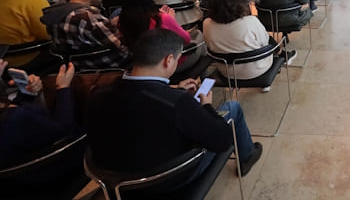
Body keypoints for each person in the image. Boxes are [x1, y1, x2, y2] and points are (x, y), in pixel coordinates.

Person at [86, 29, 263, 187]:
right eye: (177, 60)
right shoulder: (177, 103)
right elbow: (221, 141)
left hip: (115, 182)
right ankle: (247, 155)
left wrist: (174, 90)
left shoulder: (97, 95)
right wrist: (207, 106)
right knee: (232, 108)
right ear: (169, 60)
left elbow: (141, 105)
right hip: (168, 179)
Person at [0, 60, 81, 182]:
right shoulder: (16, 118)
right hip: (51, 173)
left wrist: (27, 94)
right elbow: (66, 132)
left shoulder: (12, 116)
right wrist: (63, 88)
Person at [203, 0, 292, 92]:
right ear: (241, 2)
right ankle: (283, 55)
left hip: (226, 72)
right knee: (266, 41)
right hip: (257, 70)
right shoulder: (250, 22)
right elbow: (265, 43)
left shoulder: (207, 24)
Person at [40, 0, 129, 70]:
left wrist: (108, 24)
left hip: (74, 66)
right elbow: (120, 46)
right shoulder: (90, 17)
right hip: (105, 63)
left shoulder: (54, 14)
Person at [118, 0, 205, 75]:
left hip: (141, 66)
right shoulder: (161, 19)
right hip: (170, 65)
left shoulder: (122, 22)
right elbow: (186, 39)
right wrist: (172, 21)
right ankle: (204, 72)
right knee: (198, 35)